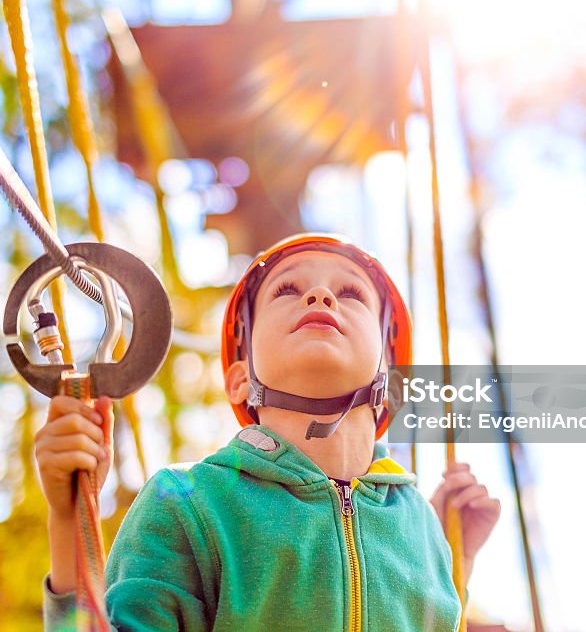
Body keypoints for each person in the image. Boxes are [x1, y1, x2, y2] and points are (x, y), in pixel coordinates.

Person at [35, 233, 501, 630]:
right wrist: (69, 520)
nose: (321, 297)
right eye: (288, 289)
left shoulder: (422, 528)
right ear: (240, 378)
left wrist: (453, 563)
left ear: (393, 387)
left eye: (352, 294)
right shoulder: (188, 502)